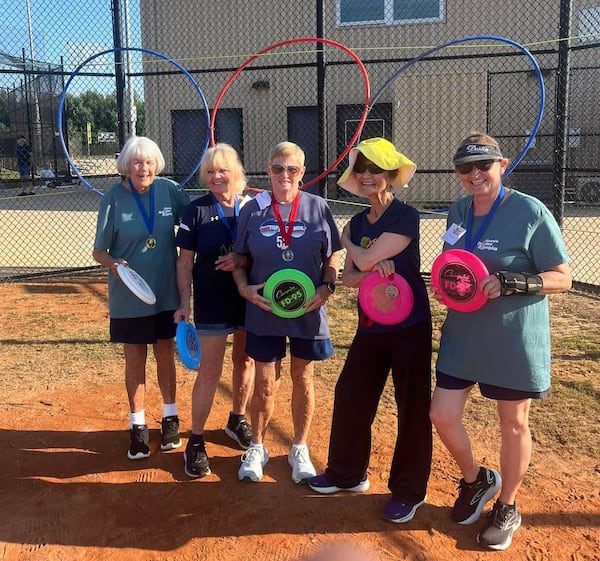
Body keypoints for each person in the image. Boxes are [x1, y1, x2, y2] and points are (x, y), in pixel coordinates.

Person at [429, 131, 572, 550]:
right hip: (464, 336)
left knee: (512, 424)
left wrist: (514, 282)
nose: (474, 175)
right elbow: (455, 263)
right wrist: (447, 284)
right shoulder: (457, 211)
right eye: (465, 168)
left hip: (513, 341)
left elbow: (562, 277)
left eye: (483, 165)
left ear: (501, 165)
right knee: (441, 414)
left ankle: (507, 504)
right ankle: (477, 480)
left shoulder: (530, 211)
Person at [308, 138, 432, 524]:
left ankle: (409, 491)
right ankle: (347, 474)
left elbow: (363, 257)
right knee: (351, 393)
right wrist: (366, 265)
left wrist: (348, 243)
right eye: (361, 168)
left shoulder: (405, 216)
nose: (366, 176)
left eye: (375, 169)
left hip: (410, 326)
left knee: (411, 405)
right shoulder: (361, 222)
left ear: (391, 176)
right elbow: (349, 279)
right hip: (372, 322)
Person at [232, 141, 342, 483]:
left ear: (302, 173)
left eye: (291, 169)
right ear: (268, 170)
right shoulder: (253, 210)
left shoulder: (318, 207)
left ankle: (299, 446)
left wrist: (326, 288)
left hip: (307, 311)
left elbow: (333, 257)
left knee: (303, 379)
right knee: (265, 383)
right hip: (265, 311)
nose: (284, 175)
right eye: (278, 168)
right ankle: (258, 446)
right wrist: (242, 287)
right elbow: (240, 259)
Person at [92, 136, 190, 460]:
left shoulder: (170, 191)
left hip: (165, 292)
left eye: (148, 162)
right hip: (130, 294)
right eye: (136, 162)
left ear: (156, 164)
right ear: (126, 167)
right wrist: (114, 264)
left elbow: (193, 223)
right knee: (135, 358)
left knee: (165, 352)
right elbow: (99, 252)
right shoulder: (113, 198)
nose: (143, 168)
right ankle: (137, 427)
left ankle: (170, 418)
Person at [174, 143, 255, 479]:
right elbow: (184, 263)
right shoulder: (196, 211)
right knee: (210, 371)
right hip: (211, 300)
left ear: (234, 172)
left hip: (248, 298)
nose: (216, 176)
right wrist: (184, 303)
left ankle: (237, 418)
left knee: (246, 360)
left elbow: (257, 253)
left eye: (222, 170)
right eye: (210, 172)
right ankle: (195, 440)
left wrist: (242, 260)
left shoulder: (251, 208)